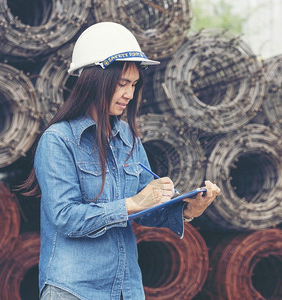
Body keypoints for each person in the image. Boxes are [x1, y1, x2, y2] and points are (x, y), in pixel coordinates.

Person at [20, 22, 220, 300]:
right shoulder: (58, 140)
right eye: (122, 83)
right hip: (73, 290)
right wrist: (132, 203)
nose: (129, 93)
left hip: (126, 290)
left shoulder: (128, 138)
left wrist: (188, 209)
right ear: (94, 80)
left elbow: (147, 207)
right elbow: (65, 218)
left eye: (134, 84)